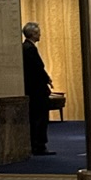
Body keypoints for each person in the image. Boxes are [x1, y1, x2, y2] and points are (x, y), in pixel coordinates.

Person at [22, 20, 53, 155]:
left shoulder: (26, 48)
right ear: (33, 34)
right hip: (36, 90)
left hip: (33, 89)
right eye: (38, 32)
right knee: (40, 118)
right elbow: (37, 68)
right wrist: (46, 79)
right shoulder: (30, 49)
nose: (40, 34)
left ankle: (37, 144)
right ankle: (38, 145)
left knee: (36, 118)